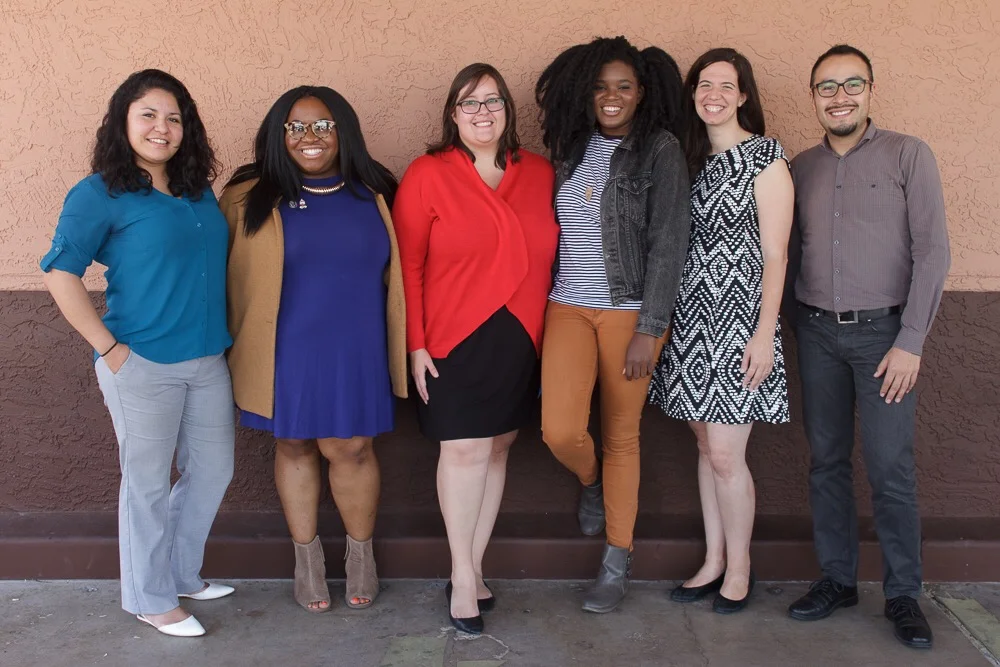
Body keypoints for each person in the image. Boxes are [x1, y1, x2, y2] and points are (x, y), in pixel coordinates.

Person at [39, 69, 234, 638]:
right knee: (146, 482)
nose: (162, 127)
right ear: (123, 121)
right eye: (148, 114)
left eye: (173, 117)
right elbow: (60, 271)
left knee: (212, 471)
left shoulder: (197, 191)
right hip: (141, 362)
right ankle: (149, 597)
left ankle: (179, 572)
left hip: (206, 359)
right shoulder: (99, 192)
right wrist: (108, 348)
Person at [785, 45, 950, 650]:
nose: (840, 96)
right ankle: (837, 579)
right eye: (827, 87)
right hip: (817, 333)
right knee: (825, 461)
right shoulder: (800, 167)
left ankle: (903, 593)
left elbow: (934, 253)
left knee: (889, 469)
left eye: (852, 84)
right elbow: (786, 253)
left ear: (870, 90)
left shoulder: (909, 154)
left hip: (886, 337)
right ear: (814, 97)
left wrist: (912, 341)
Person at [220, 86, 406, 614]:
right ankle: (306, 562)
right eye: (295, 126)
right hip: (284, 346)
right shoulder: (247, 193)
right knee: (295, 446)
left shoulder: (376, 190)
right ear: (279, 135)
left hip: (357, 344)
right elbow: (214, 269)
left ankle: (361, 558)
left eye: (322, 125)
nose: (309, 137)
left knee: (352, 448)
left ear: (343, 130)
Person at [393, 63, 559, 635]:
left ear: (507, 110)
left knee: (496, 450)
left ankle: (476, 565)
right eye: (469, 103)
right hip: (449, 337)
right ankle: (462, 576)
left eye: (492, 101)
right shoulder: (427, 173)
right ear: (452, 114)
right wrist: (415, 343)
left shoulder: (538, 172)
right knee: (462, 452)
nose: (482, 112)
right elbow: (408, 265)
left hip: (518, 334)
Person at [534, 36, 690, 613]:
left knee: (624, 435)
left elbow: (670, 240)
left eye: (624, 86)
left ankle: (616, 560)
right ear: (584, 93)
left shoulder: (659, 149)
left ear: (643, 92)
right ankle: (591, 481)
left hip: (628, 311)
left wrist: (652, 326)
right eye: (600, 86)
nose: (611, 96)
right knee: (560, 430)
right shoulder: (570, 151)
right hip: (566, 307)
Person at [648, 48, 794, 614]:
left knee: (729, 455)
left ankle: (741, 568)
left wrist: (764, 334)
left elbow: (776, 256)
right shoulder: (689, 161)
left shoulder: (765, 158)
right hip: (690, 323)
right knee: (708, 449)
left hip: (739, 325)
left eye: (726, 85)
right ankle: (712, 560)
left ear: (743, 95)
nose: (714, 94)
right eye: (704, 84)